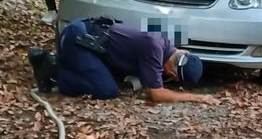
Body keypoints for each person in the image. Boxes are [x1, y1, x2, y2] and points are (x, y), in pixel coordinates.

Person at [28, 18, 219, 105]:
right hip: (78, 39)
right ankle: (51, 68)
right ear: (174, 73)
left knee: (111, 83)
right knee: (106, 91)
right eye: (175, 78)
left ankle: (69, 65)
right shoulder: (155, 48)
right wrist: (196, 98)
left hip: (89, 43)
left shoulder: (166, 45)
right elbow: (156, 95)